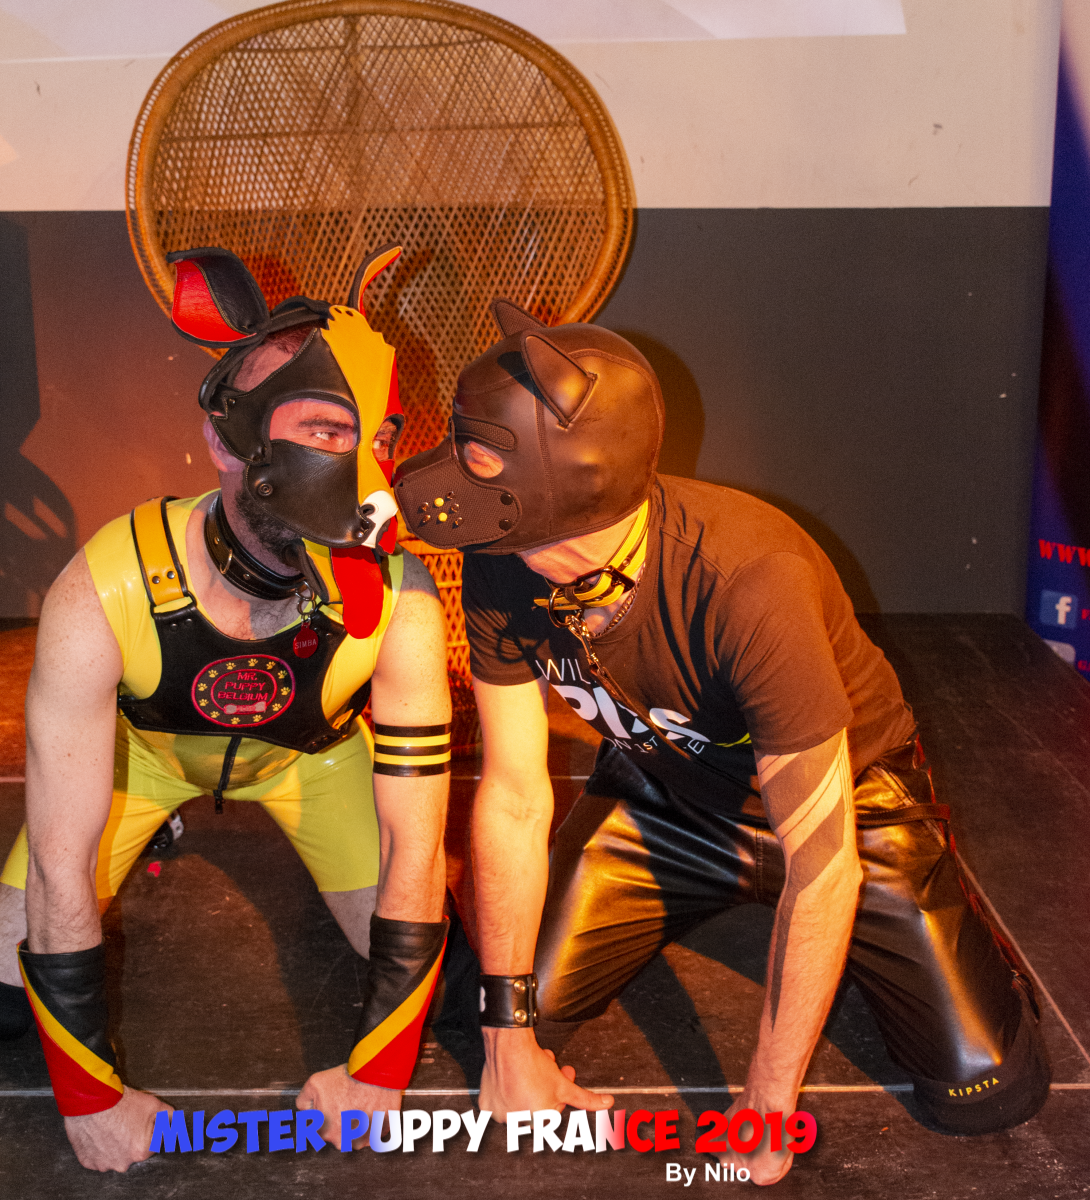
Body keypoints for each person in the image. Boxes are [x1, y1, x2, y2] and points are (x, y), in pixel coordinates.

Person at [394, 298, 1051, 1185]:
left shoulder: (750, 578)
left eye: (479, 459)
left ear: (569, 480)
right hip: (666, 795)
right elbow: (513, 794)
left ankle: (959, 941)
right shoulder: (501, 553)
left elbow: (823, 864)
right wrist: (509, 1047)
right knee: (498, 1010)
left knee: (985, 1091)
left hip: (851, 813)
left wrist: (768, 1106)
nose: (451, 482)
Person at [0, 246, 451, 1172]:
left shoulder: (400, 597)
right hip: (143, 761)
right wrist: (89, 1102)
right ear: (226, 442)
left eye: (377, 438)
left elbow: (416, 842)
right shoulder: (103, 589)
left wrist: (378, 1075)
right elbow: (59, 857)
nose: (367, 476)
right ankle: (120, 842)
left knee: (433, 990)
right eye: (327, 430)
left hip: (309, 758)